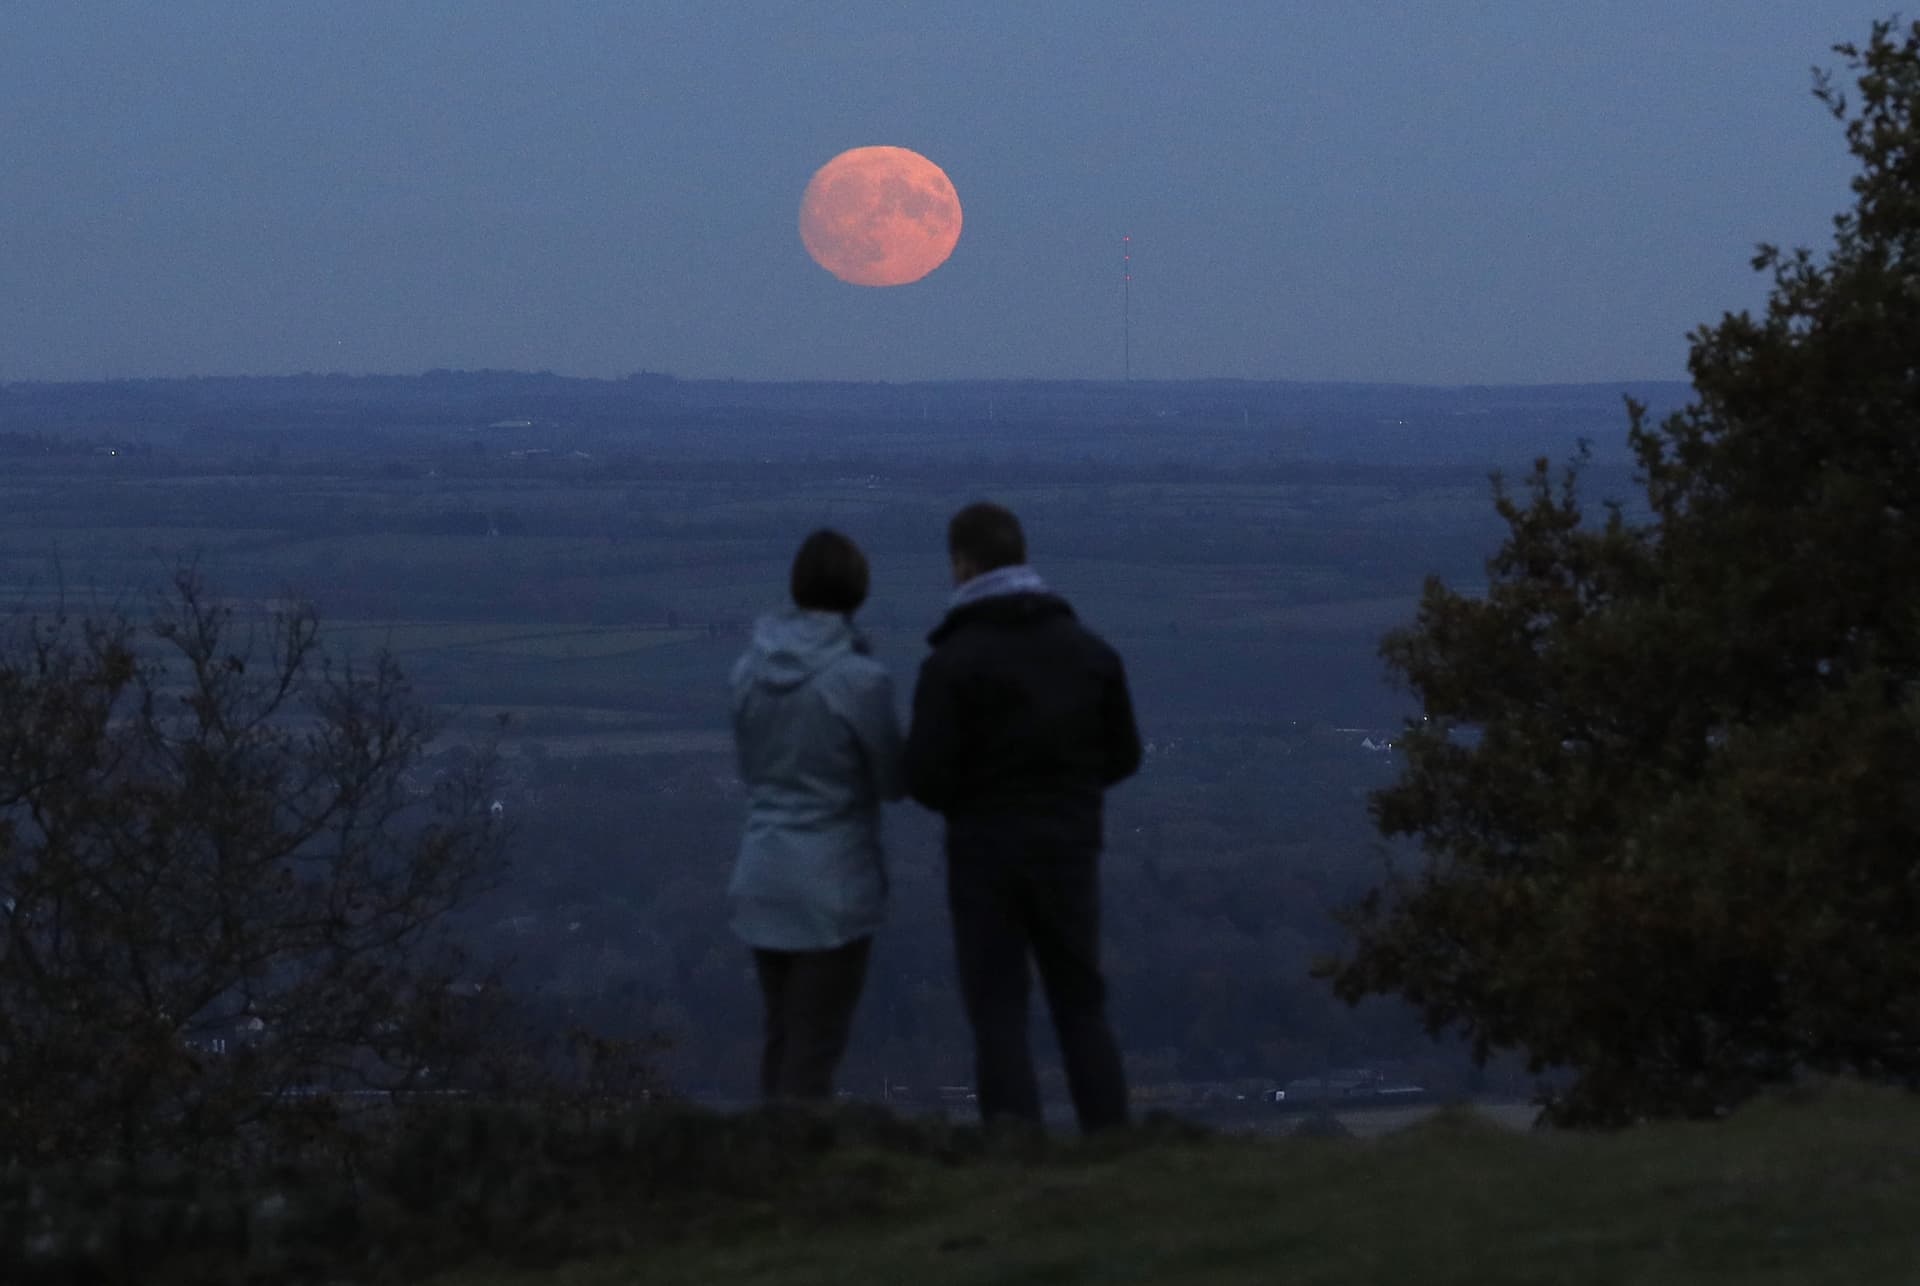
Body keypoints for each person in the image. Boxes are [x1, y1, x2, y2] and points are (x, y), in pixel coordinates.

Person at [904, 502, 1141, 1132]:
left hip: (984, 858)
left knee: (998, 1015)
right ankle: (1113, 1150)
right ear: (1021, 556)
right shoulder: (1088, 653)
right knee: (1081, 1006)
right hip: (1069, 850)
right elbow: (1123, 755)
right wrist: (1069, 796)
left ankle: (1016, 1157)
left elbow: (924, 777)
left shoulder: (951, 664)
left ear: (962, 563)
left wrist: (974, 802)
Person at [728, 528, 904, 1101]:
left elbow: (752, 770)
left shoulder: (747, 673)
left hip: (761, 876)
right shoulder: (859, 681)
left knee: (781, 1035)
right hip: (832, 888)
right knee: (815, 1047)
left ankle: (765, 1171)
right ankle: (793, 1176)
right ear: (858, 593)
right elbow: (893, 779)